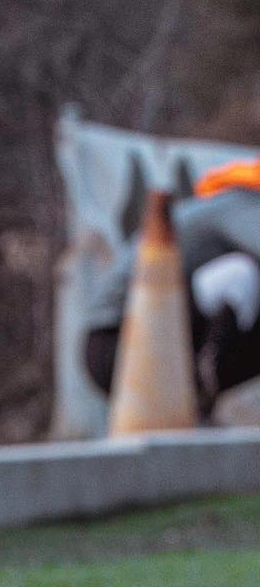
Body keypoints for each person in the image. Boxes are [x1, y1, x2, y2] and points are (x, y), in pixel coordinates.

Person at [84, 161, 260, 416]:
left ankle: (197, 401)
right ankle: (202, 385)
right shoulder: (239, 203)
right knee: (241, 273)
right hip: (117, 342)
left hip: (143, 342)